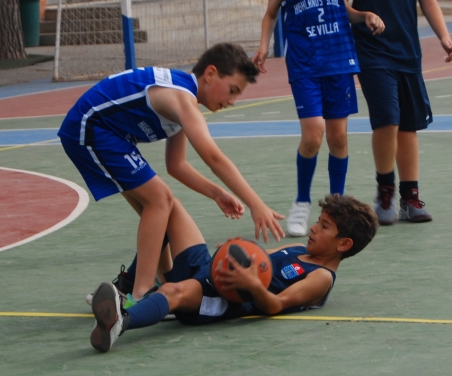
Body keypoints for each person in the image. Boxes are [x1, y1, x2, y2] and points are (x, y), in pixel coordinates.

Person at [58, 43, 284, 302]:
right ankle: (141, 293)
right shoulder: (182, 99)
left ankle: (155, 286)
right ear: (210, 74)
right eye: (232, 90)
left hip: (106, 132)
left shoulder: (183, 100)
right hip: (90, 127)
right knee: (160, 200)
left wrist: (216, 193)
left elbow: (177, 165)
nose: (232, 101)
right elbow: (213, 158)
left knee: (158, 209)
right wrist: (256, 204)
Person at [88, 193, 378, 353]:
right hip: (210, 269)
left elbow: (276, 305)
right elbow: (259, 259)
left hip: (226, 295)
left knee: (173, 291)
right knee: (168, 206)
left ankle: (122, 321)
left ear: (344, 244)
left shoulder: (321, 277)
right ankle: (136, 289)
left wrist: (252, 285)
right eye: (318, 221)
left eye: (324, 226)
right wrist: (235, 250)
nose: (314, 227)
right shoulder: (297, 248)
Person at [254, 0, 385, 237]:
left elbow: (342, 10)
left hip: (338, 61)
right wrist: (263, 44)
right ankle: (301, 202)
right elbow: (271, 14)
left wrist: (365, 15)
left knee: (338, 137)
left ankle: (336, 208)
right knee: (313, 135)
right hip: (305, 65)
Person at [341, 0, 452, 226]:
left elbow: (428, 0)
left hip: (408, 54)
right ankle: (385, 192)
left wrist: (444, 36)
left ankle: (411, 197)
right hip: (374, 55)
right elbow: (340, 7)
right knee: (388, 121)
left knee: (408, 126)